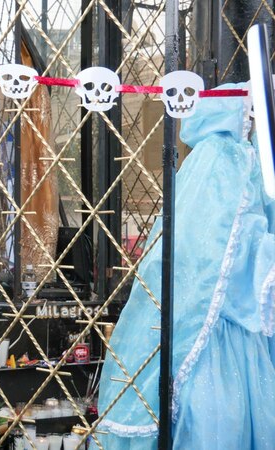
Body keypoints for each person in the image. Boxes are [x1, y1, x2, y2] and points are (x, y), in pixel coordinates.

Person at [97, 84, 275, 449]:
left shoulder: (207, 161)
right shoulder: (229, 159)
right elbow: (231, 251)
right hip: (218, 341)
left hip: (218, 330)